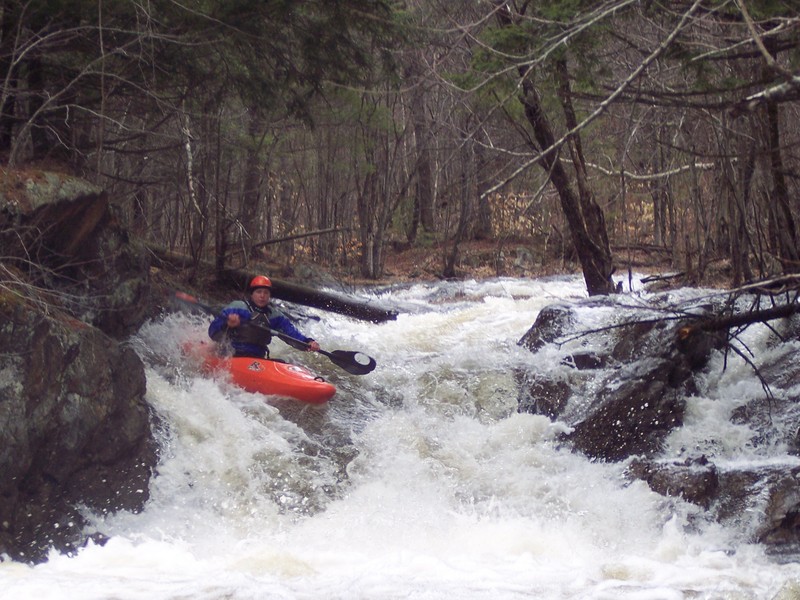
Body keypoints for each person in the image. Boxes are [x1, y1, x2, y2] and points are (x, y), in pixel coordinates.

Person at [208, 275, 321, 359]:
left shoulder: (275, 316)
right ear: (252, 294)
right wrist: (226, 324)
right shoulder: (237, 307)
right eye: (259, 292)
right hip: (231, 355)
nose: (262, 296)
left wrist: (308, 343)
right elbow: (212, 331)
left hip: (257, 359)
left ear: (269, 295)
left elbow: (291, 334)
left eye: (266, 292)